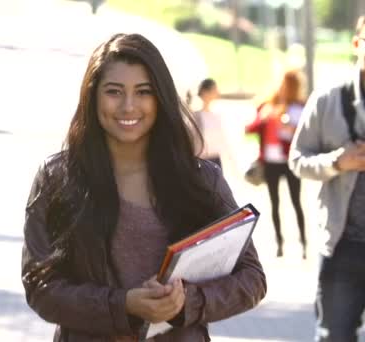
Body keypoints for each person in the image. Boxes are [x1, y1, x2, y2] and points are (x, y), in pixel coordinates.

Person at [21, 33, 266, 341]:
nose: (128, 106)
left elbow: (252, 279)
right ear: (92, 96)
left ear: (160, 98)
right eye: (114, 92)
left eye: (143, 92)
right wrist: (123, 305)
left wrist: (184, 303)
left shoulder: (200, 180)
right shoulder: (57, 178)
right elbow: (40, 287)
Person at [289, 16, 365, 342]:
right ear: (356, 44)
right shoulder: (326, 100)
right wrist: (339, 162)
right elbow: (297, 160)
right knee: (334, 337)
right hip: (341, 246)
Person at [246, 70, 307, 258]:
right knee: (274, 204)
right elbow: (250, 129)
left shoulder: (299, 108)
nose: (282, 88)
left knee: (296, 202)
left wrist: (291, 128)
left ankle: (304, 243)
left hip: (289, 161)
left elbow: (306, 134)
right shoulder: (267, 106)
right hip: (270, 162)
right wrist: (264, 117)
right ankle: (280, 244)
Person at [194, 78, 224, 169]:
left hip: (214, 158)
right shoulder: (196, 116)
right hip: (202, 160)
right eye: (214, 89)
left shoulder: (216, 115)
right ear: (205, 92)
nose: (217, 92)